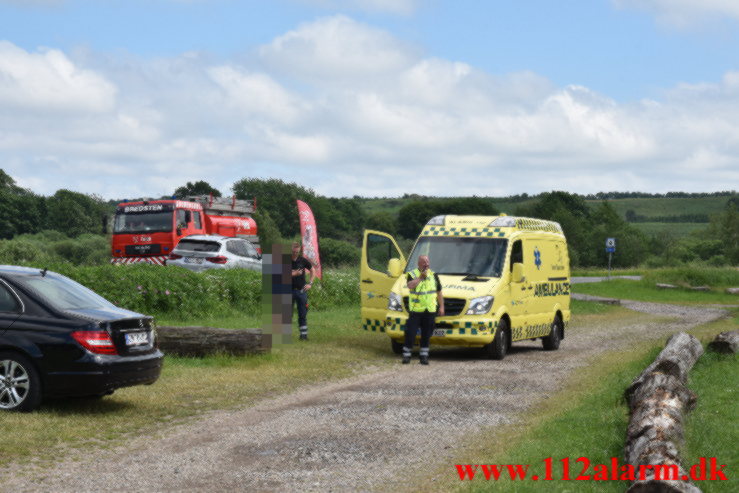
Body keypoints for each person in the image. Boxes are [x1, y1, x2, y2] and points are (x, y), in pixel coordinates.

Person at [403, 255, 444, 365]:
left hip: (429, 311)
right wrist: (420, 278)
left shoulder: (434, 275)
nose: (426, 264)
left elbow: (439, 292)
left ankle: (424, 356)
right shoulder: (412, 274)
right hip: (416, 311)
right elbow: (410, 286)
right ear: (419, 263)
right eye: (424, 262)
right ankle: (406, 356)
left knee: (426, 335)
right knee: (410, 333)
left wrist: (442, 307)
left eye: (428, 262)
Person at [291, 241, 315, 340]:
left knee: (302, 314)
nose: (295, 253)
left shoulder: (303, 260)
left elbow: (313, 270)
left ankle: (303, 335)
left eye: (297, 252)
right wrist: (293, 274)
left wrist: (310, 283)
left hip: (301, 291)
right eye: (294, 252)